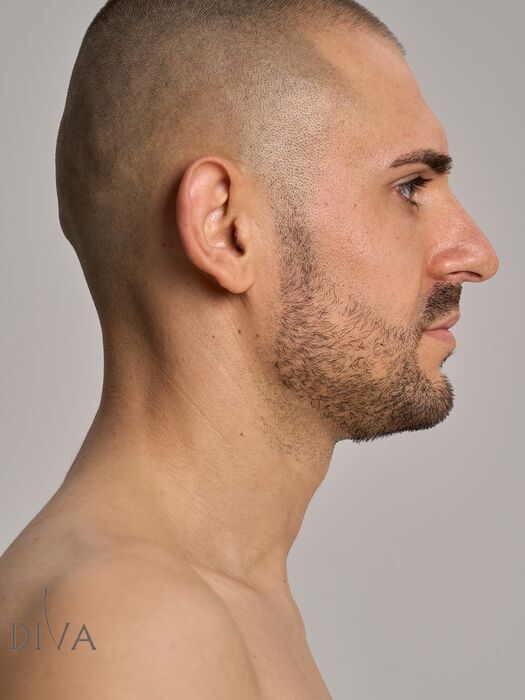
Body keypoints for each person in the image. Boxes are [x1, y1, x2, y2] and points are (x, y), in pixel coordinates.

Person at [0, 1, 499, 698]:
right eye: (409, 186)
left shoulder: (220, 599)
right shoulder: (133, 623)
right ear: (227, 228)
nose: (477, 255)